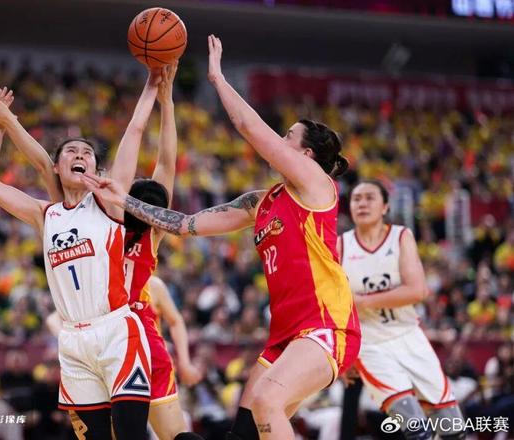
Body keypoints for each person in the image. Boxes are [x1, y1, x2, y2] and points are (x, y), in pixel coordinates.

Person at [81, 35, 361, 440]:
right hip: (285, 335)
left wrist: (217, 78)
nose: (280, 140)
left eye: (288, 136)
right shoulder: (261, 202)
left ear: (307, 156)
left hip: (325, 326)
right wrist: (123, 200)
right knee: (243, 434)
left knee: (266, 402)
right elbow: (185, 224)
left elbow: (249, 127)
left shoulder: (317, 187)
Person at [0, 64, 204, 440]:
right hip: (85, 337)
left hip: (127, 332)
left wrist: (164, 100)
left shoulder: (143, 229)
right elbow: (44, 165)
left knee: (169, 435)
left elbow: (163, 162)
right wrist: (6, 123)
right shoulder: (75, 212)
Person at [340, 180, 465, 440]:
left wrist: (362, 301)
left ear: (385, 206)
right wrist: (344, 354)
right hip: (369, 344)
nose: (362, 203)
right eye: (356, 199)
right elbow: (333, 306)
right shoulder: (340, 245)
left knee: (453, 429)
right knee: (415, 428)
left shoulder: (400, 236)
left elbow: (417, 291)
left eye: (369, 198)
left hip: (408, 334)